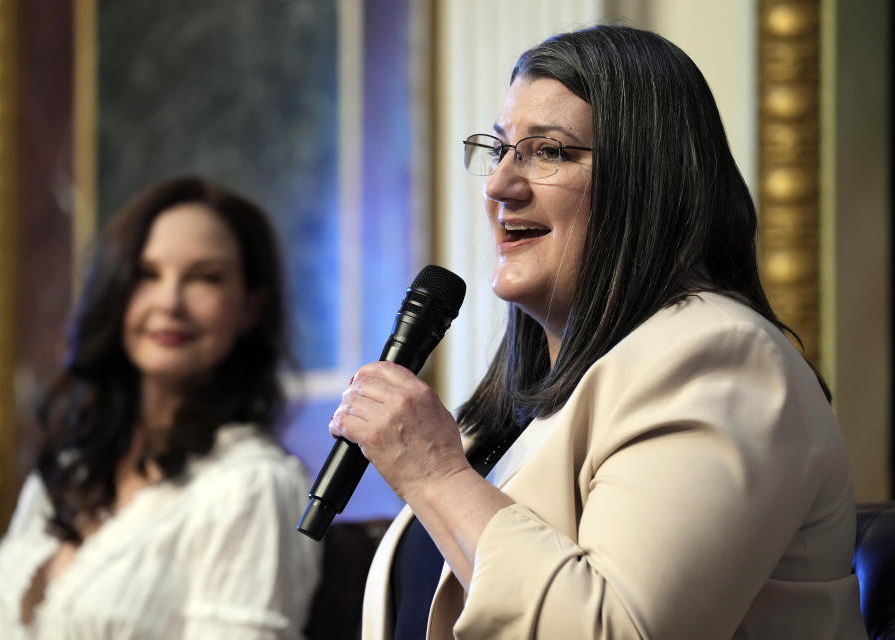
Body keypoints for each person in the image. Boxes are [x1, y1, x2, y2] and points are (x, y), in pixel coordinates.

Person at [329, 25, 867, 639]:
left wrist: (437, 477)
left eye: (548, 151)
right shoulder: (512, 412)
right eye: (501, 149)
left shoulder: (722, 359)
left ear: (647, 180)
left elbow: (616, 630)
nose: (501, 186)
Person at [0, 176, 321, 638]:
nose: (169, 302)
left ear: (250, 308)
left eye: (205, 277)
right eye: (146, 273)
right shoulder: (67, 470)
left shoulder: (252, 483)